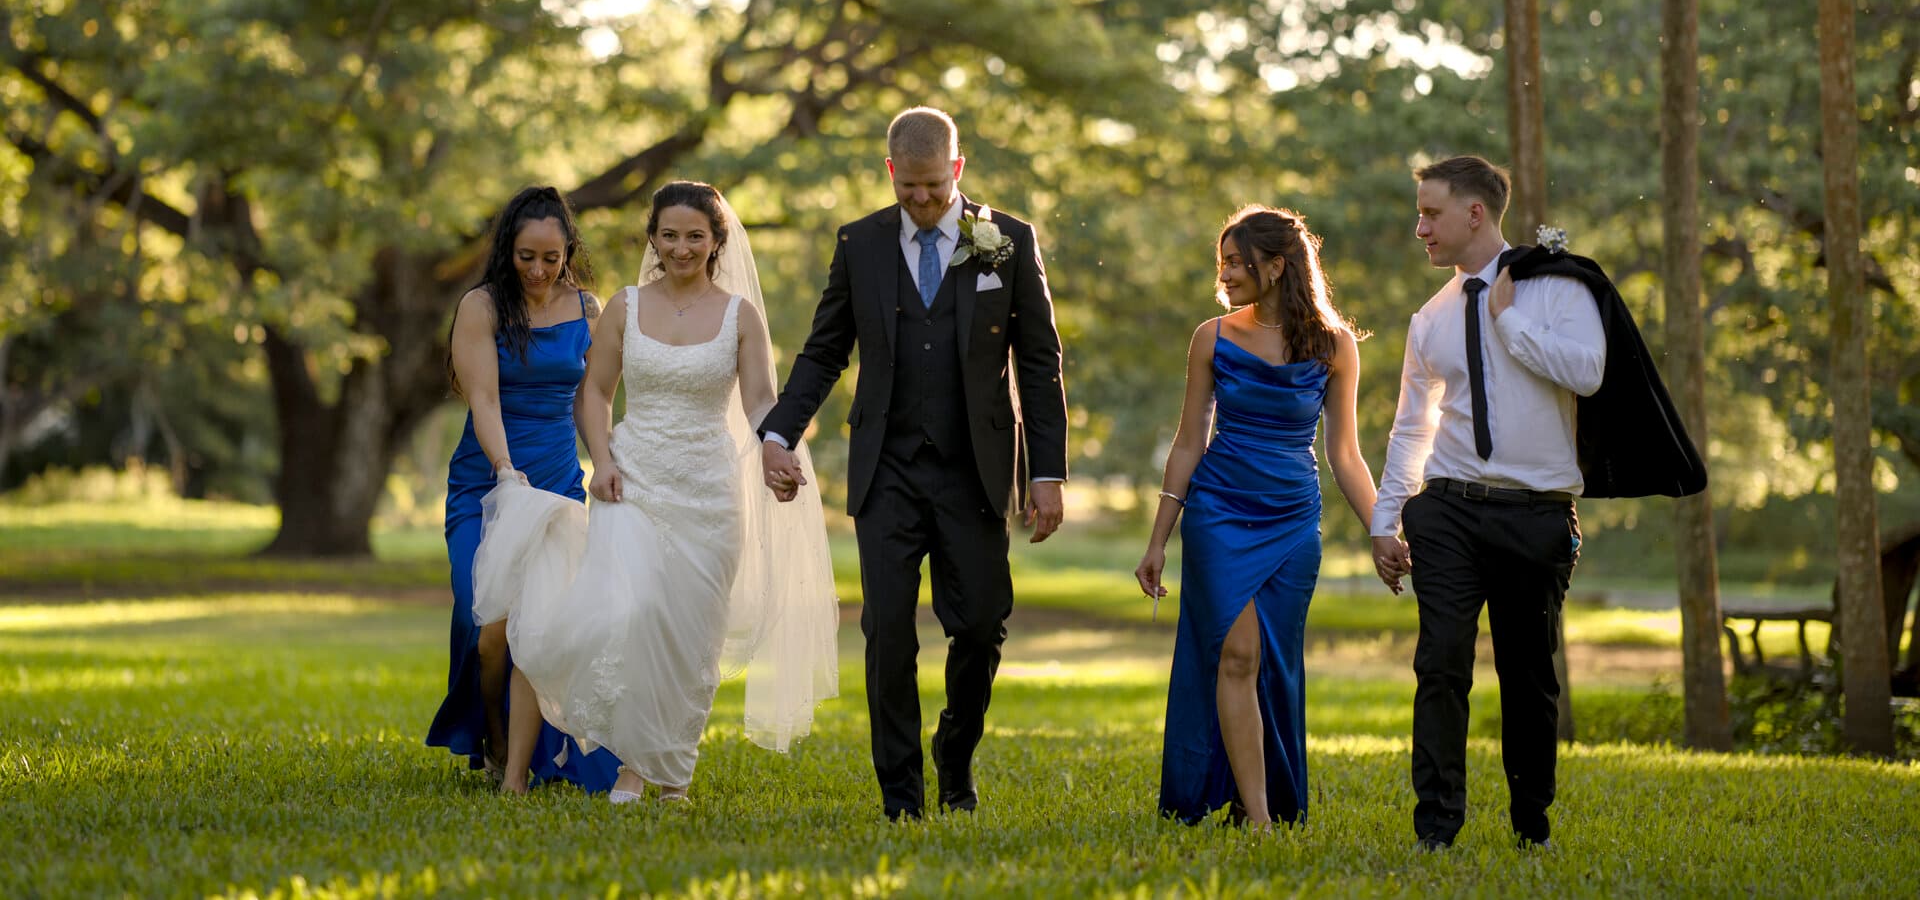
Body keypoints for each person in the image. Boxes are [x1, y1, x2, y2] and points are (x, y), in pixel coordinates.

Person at [468, 181, 838, 804]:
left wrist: (777, 449)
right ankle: (633, 768)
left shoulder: (739, 316)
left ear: (717, 241)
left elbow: (759, 401)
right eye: (669, 234)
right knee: (631, 617)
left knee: (692, 635)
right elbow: (595, 394)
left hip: (710, 491)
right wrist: (603, 458)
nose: (681, 247)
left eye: (695, 235)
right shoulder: (624, 306)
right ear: (653, 239)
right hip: (632, 483)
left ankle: (673, 775)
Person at [758, 106, 1070, 821]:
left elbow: (1042, 364)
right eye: (910, 189)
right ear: (891, 172)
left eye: (935, 187)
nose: (923, 203)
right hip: (888, 468)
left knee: (983, 624)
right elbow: (825, 350)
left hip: (976, 469)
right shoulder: (860, 244)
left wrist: (1045, 473)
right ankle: (902, 799)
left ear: (955, 171)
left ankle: (954, 753)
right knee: (888, 631)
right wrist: (779, 433)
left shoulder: (1007, 241)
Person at [1370, 155, 1606, 852]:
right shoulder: (1429, 318)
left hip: (1535, 513)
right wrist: (1387, 519)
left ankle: (1531, 823)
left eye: (1431, 213)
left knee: (1528, 676)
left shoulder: (1559, 288)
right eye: (1418, 213)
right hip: (1446, 509)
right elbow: (1412, 424)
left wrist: (1509, 322)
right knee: (1440, 663)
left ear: (1476, 213)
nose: (1420, 228)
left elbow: (1589, 373)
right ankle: (1436, 827)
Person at [1134, 206, 1378, 828]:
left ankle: (1251, 803)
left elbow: (1345, 453)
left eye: (1238, 262)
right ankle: (1263, 820)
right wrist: (1159, 539)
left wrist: (1383, 529)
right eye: (1222, 263)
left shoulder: (1334, 346)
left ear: (1278, 265)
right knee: (1236, 655)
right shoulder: (1211, 337)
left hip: (1294, 522)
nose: (1226, 274)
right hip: (1218, 512)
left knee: (1273, 661)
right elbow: (1190, 440)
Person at [426, 185, 621, 794]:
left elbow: (594, 401)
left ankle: (532, 753)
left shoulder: (588, 309)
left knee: (546, 625)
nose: (538, 271)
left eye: (551, 258)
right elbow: (484, 398)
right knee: (489, 628)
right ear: (507, 251)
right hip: (488, 479)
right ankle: (492, 731)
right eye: (526, 257)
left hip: (560, 480)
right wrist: (507, 472)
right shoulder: (481, 307)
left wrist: (607, 462)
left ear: (567, 254)